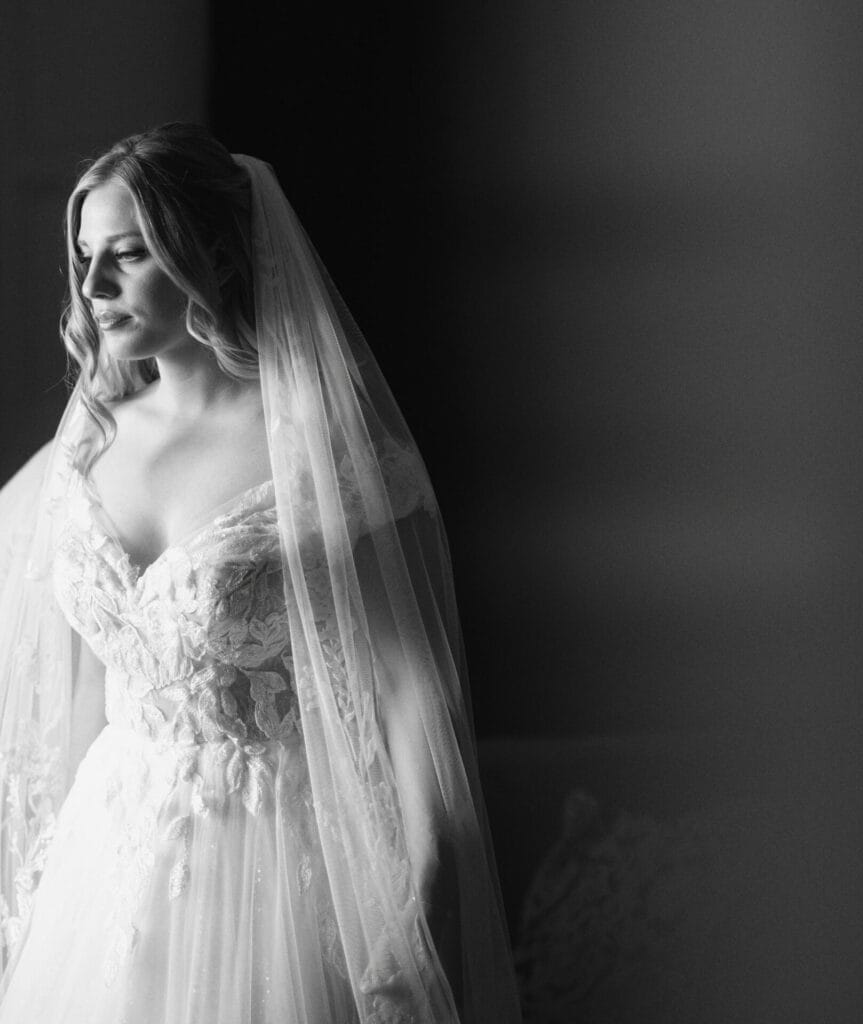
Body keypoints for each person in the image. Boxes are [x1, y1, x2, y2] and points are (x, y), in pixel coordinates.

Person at [0, 123, 520, 1024]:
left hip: (272, 867)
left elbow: (408, 697)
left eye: (128, 255)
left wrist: (419, 909)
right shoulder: (89, 442)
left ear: (213, 257)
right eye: (85, 257)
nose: (92, 287)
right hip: (107, 859)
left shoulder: (313, 452)